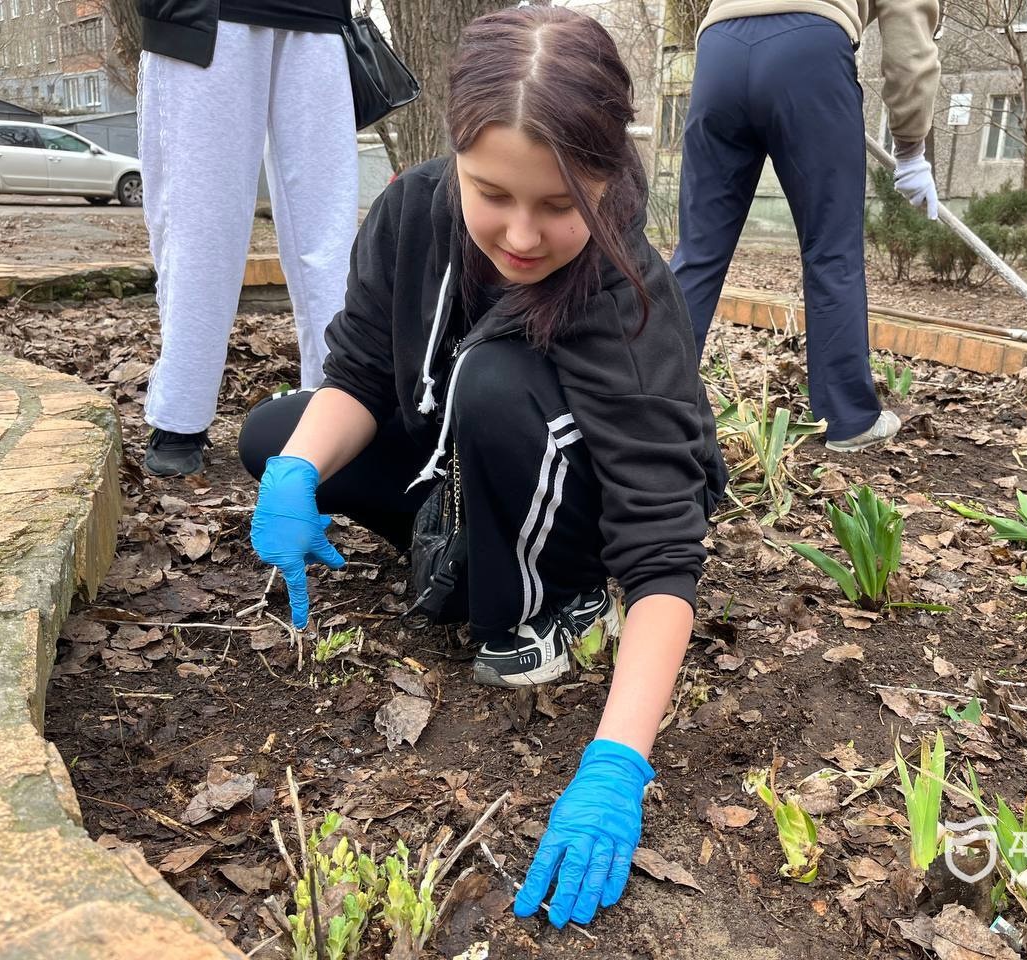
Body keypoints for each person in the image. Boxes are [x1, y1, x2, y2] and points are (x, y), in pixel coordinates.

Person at [237, 5, 727, 930]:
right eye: (492, 192)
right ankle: (466, 544)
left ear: (607, 175)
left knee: (499, 388)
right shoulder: (412, 212)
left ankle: (548, 598)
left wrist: (617, 763)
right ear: (455, 152)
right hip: (469, 451)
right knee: (276, 432)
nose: (523, 235)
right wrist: (299, 474)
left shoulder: (626, 291)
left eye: (558, 203)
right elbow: (358, 379)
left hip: (575, 484)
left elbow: (663, 548)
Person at [670, 0, 941, 453]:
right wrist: (911, 146)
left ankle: (648, 401)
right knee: (831, 251)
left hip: (718, 48)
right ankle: (847, 419)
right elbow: (909, 36)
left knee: (696, 253)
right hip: (810, 49)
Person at [137, 0, 359, 476]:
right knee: (202, 221)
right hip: (206, 14)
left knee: (330, 229)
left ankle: (344, 398)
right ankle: (182, 415)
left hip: (317, 15)